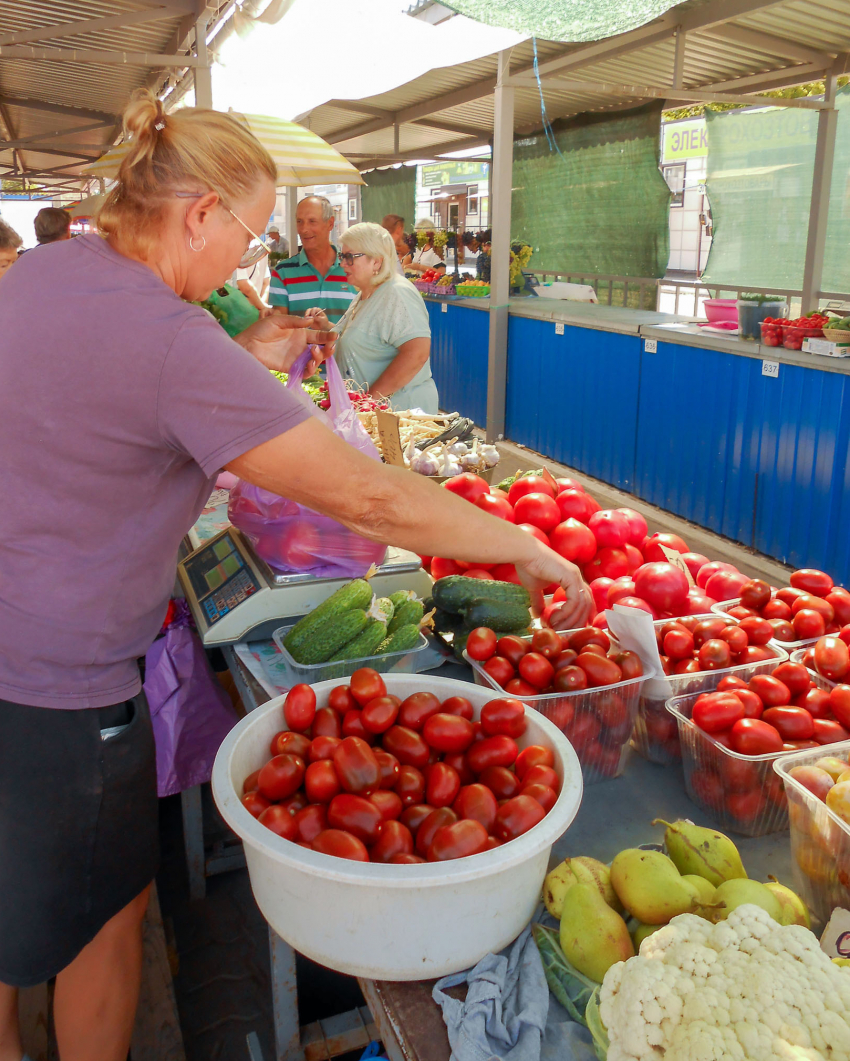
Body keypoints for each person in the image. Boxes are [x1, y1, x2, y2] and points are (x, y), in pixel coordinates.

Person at [0, 89, 592, 1061]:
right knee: (102, 926)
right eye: (246, 232)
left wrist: (240, 360)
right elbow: (373, 499)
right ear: (197, 214)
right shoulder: (166, 334)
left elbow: (104, 408)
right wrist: (521, 545)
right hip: (62, 688)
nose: (246, 257)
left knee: (15, 899)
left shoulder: (40, 275)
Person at [332, 222, 440, 411]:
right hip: (374, 416)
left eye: (350, 257)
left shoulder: (397, 293)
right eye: (342, 256)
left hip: (402, 417)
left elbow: (417, 353)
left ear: (377, 261)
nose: (342, 263)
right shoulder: (365, 294)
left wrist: (367, 402)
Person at [268, 194, 356, 323]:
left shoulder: (353, 268)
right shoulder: (282, 272)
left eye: (312, 221)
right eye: (299, 222)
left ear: (330, 224)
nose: (304, 229)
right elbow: (281, 327)